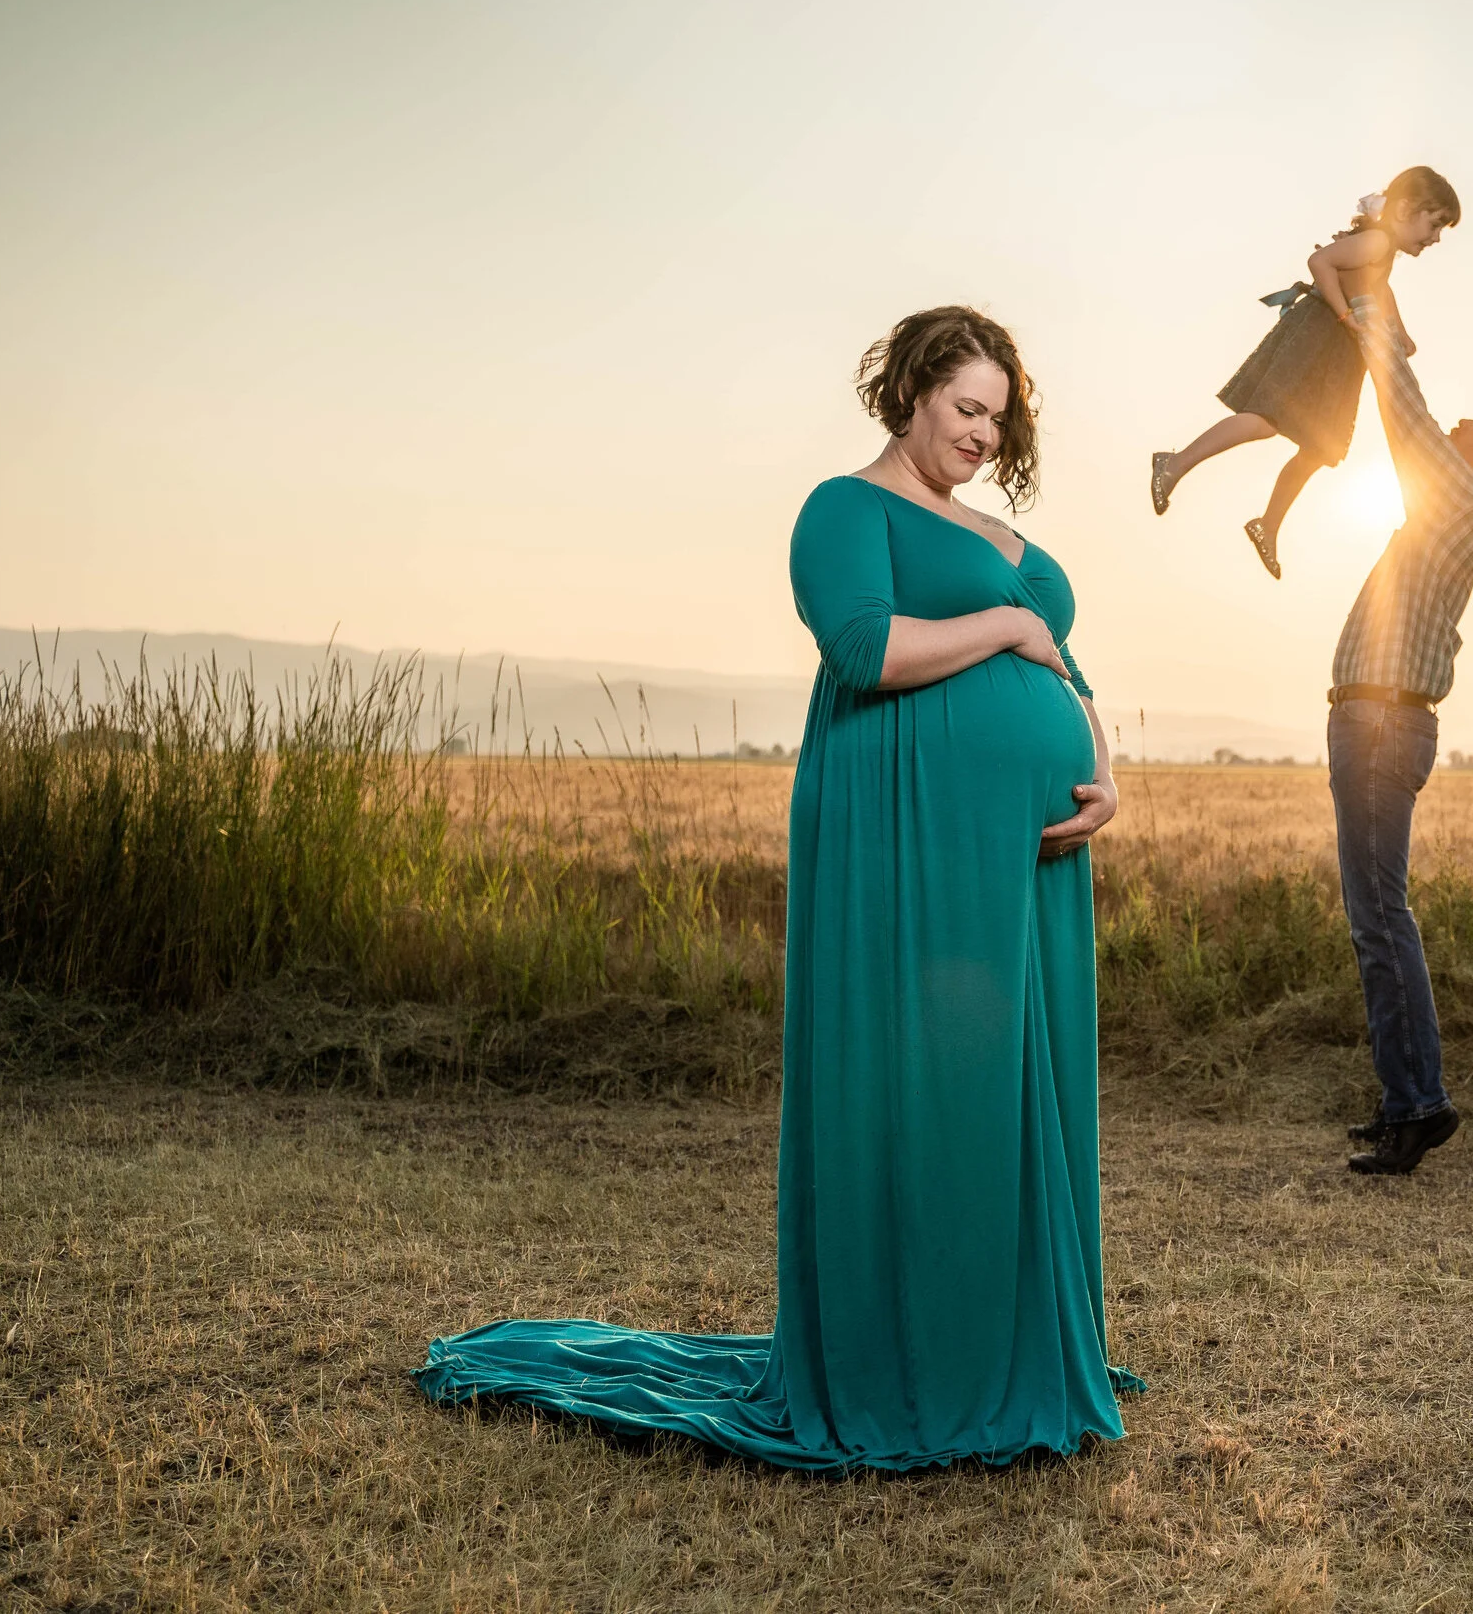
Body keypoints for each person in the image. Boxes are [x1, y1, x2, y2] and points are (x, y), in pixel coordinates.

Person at [415, 306, 1141, 1469]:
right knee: (923, 1082)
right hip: (902, 829)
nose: (982, 435)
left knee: (1008, 1084)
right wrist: (1006, 617)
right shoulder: (844, 509)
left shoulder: (997, 532)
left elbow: (1061, 658)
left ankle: (1005, 1343)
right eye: (965, 408)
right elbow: (863, 646)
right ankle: (913, 1358)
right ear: (908, 391)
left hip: (1024, 856)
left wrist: (1101, 767)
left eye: (999, 418)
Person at [1330, 296, 1473, 1176]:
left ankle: (1418, 1103)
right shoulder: (1451, 502)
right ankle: (1401, 1100)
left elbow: (1406, 410)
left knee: (1381, 917)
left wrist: (1371, 312)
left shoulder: (1464, 495)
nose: (1464, 419)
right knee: (1374, 918)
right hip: (1376, 717)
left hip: (1381, 722)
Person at [1150, 166, 1461, 579]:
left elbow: (1380, 288)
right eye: (1434, 223)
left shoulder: (1382, 249)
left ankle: (1268, 523)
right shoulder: (1378, 240)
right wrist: (1344, 312)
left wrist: (1399, 329)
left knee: (1322, 445)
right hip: (1318, 336)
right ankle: (1174, 464)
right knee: (1265, 418)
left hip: (1341, 353)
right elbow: (1320, 262)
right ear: (1406, 209)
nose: (1436, 237)